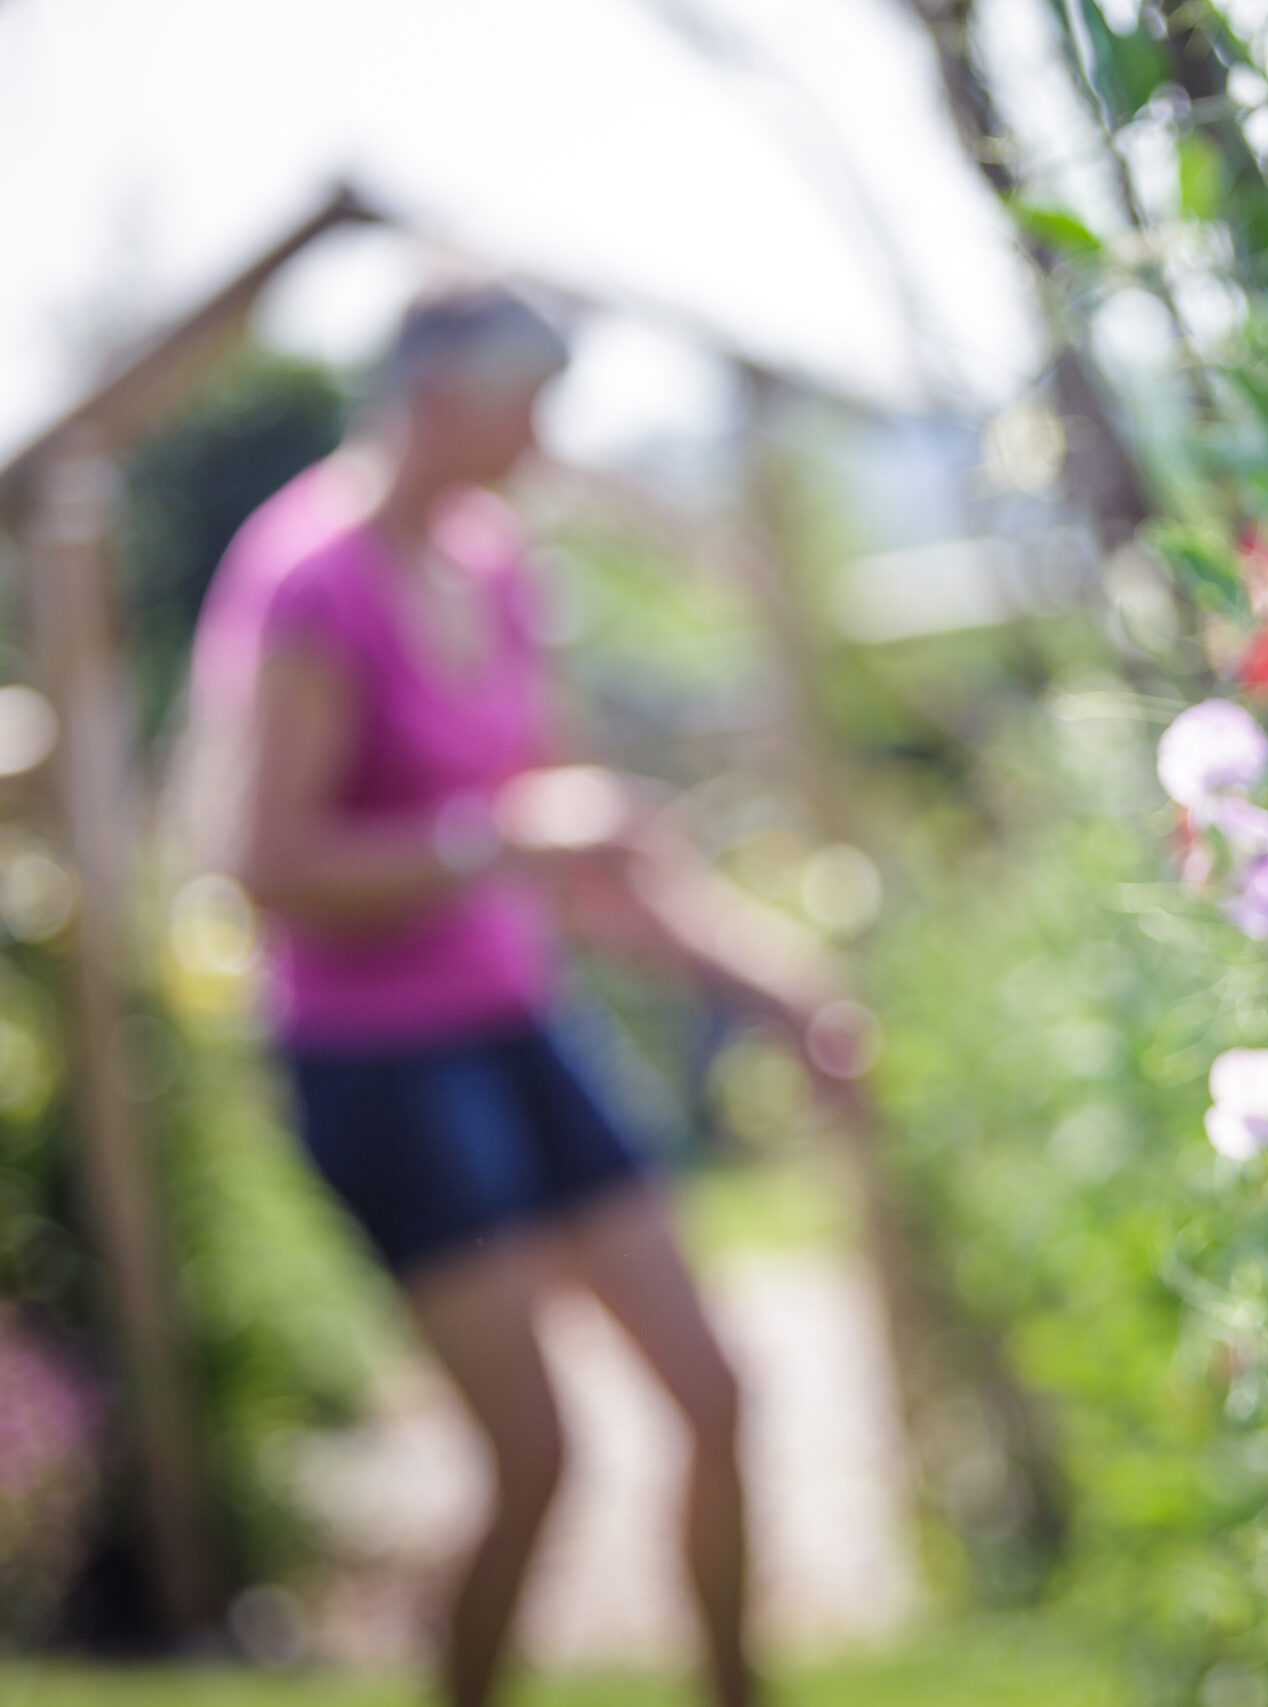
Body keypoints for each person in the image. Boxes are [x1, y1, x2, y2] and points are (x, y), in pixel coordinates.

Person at [190, 284, 858, 1707]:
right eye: (529, 403)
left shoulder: (490, 562)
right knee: (537, 1455)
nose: (544, 437)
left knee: (714, 1393)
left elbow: (584, 856)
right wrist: (496, 840)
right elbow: (264, 862)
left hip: (513, 1021)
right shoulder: (310, 576)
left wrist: (776, 987)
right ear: (440, 398)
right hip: (376, 1060)